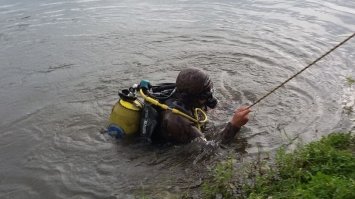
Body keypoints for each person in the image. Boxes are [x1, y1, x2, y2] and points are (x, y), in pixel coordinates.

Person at [152, 68, 251, 145]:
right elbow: (211, 148)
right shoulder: (178, 121)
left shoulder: (181, 95)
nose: (209, 99)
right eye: (205, 95)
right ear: (194, 97)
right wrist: (234, 125)